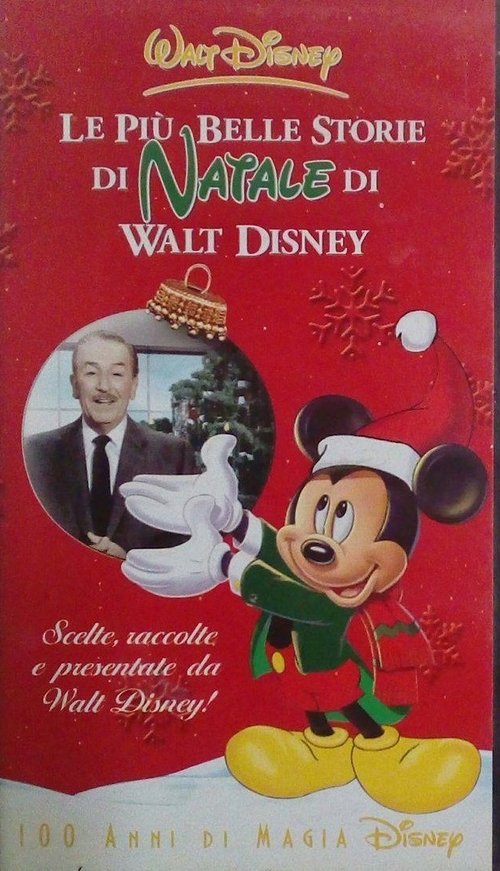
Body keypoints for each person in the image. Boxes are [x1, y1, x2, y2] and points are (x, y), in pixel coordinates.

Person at [24, 330, 193, 557]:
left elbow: (189, 544)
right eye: (91, 372)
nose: (104, 386)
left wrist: (129, 560)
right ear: (75, 385)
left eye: (117, 374)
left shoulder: (174, 455)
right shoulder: (35, 452)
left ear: (133, 386)